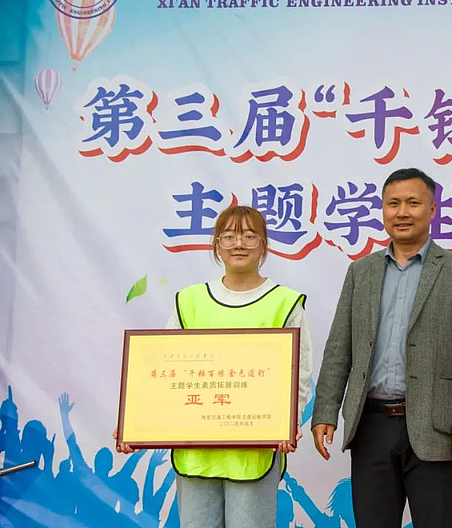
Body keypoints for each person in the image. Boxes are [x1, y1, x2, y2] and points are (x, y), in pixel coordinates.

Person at [116, 205, 313, 528]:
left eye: (250, 236)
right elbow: (161, 370)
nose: (239, 244)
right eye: (230, 236)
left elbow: (299, 372)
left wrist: (289, 422)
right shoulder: (189, 300)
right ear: (217, 245)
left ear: (263, 245)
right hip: (195, 452)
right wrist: (134, 424)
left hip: (255, 452)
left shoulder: (285, 302)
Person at [311, 167, 452, 528]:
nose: (402, 212)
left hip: (434, 427)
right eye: (393, 204)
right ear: (383, 210)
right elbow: (339, 347)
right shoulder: (361, 272)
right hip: (371, 426)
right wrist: (325, 411)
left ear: (432, 209)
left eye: (413, 203)